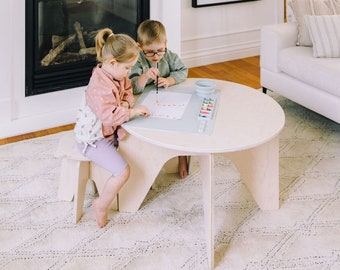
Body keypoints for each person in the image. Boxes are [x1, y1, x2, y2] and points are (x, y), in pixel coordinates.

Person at [74, 28, 150, 228]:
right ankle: (101, 204)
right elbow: (108, 115)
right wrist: (131, 111)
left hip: (109, 129)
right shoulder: (99, 85)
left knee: (142, 142)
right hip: (92, 140)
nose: (129, 72)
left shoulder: (117, 75)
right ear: (113, 63)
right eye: (127, 68)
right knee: (123, 172)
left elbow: (128, 91)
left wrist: (125, 104)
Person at [129, 19, 189, 179]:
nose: (156, 56)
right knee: (145, 126)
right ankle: (149, 159)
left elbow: (183, 71)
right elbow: (133, 87)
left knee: (178, 122)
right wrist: (144, 76)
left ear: (165, 44)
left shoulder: (169, 56)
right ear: (140, 47)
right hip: (144, 101)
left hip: (166, 97)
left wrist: (169, 80)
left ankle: (181, 156)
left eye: (160, 50)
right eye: (150, 52)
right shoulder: (137, 60)